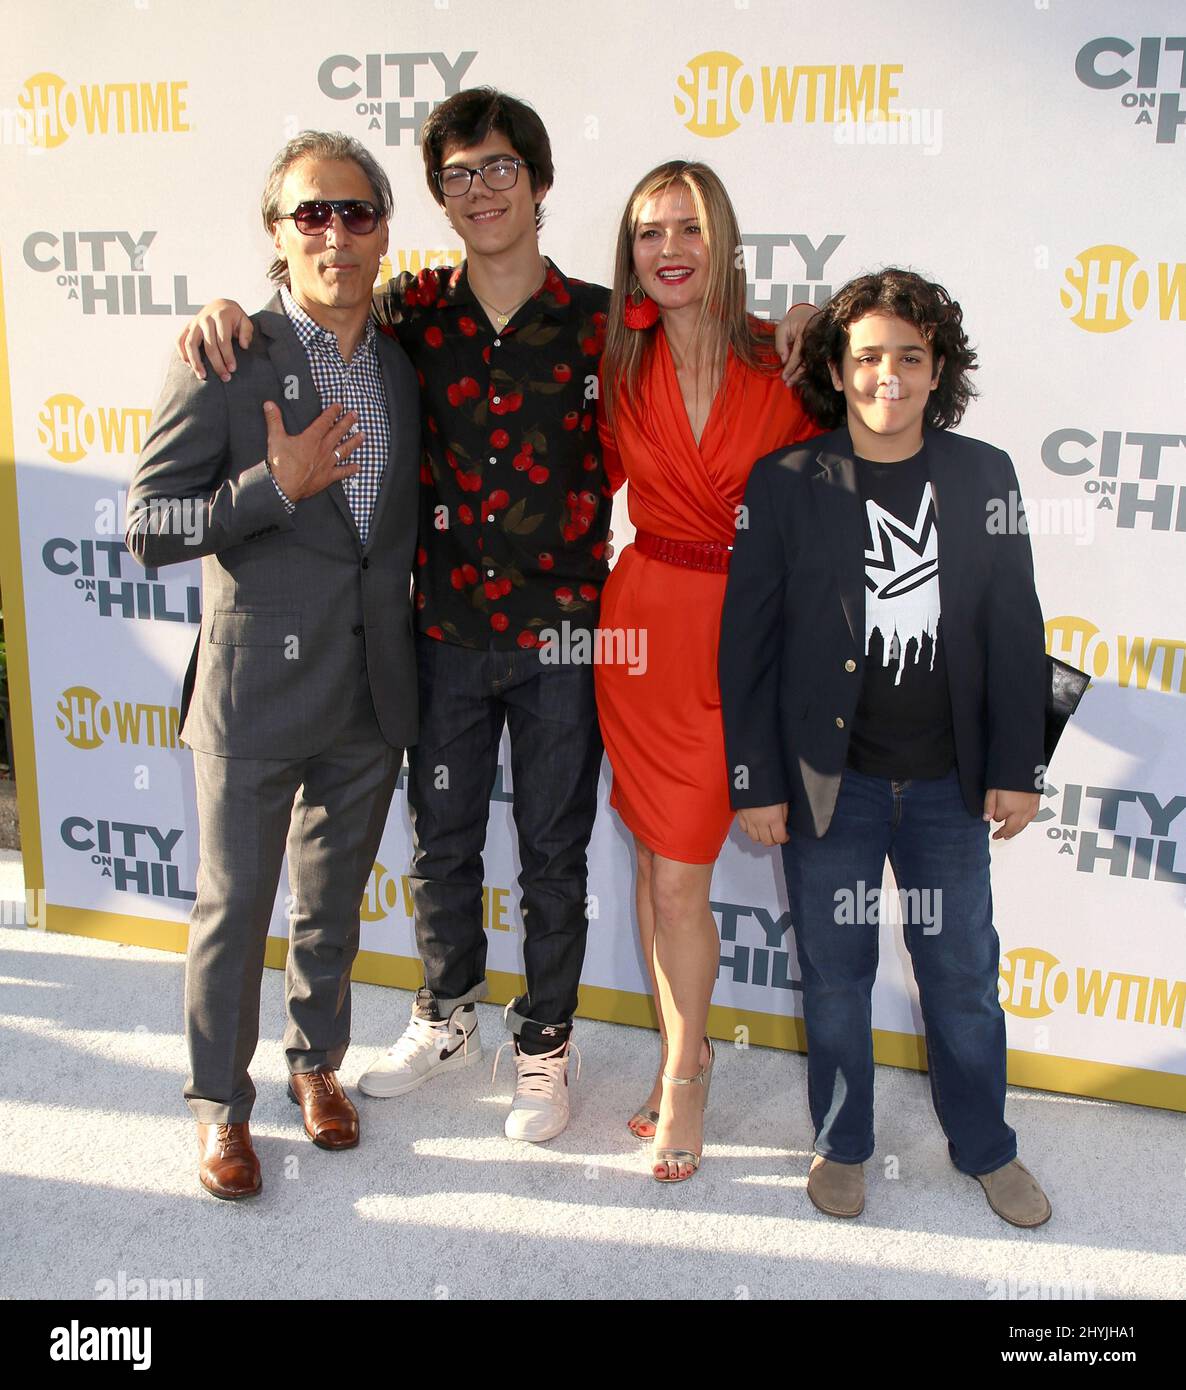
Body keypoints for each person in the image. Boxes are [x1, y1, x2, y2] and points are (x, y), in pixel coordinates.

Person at [176, 94, 818, 1145]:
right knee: (443, 844)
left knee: (555, 850)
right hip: (440, 629)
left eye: (501, 168)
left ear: (541, 182)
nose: (481, 190)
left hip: (570, 634)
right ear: (439, 197)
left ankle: (546, 1046)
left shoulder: (609, 325)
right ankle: (445, 1015)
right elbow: (312, 304)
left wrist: (802, 325)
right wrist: (223, 310)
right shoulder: (410, 310)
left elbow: (719, 337)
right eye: (459, 175)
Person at [719, 268, 1052, 1227]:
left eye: (910, 356)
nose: (888, 376)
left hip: (950, 786)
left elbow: (1016, 628)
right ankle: (842, 1141)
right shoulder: (786, 483)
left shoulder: (983, 474)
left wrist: (1017, 767)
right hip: (834, 786)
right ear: (837, 368)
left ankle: (987, 1147)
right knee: (835, 980)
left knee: (962, 978)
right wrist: (757, 780)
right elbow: (749, 646)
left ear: (938, 368)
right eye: (868, 357)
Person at [127, 131, 420, 1199]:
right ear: (277, 233)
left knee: (330, 904)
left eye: (356, 212)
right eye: (311, 214)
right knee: (235, 909)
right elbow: (149, 528)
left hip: (369, 691)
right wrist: (273, 486)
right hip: (253, 692)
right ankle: (219, 1106)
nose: (335, 234)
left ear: (383, 230)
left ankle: (315, 1064)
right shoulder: (224, 355)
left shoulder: (403, 363)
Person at [596, 161, 821, 1182]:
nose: (670, 249)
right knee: (663, 868)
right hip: (642, 632)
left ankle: (683, 1071)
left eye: (689, 227)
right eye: (650, 232)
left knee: (677, 874)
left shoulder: (785, 358)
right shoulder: (615, 363)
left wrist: (823, 331)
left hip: (752, 635)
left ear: (722, 239)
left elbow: (877, 429)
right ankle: (683, 1063)